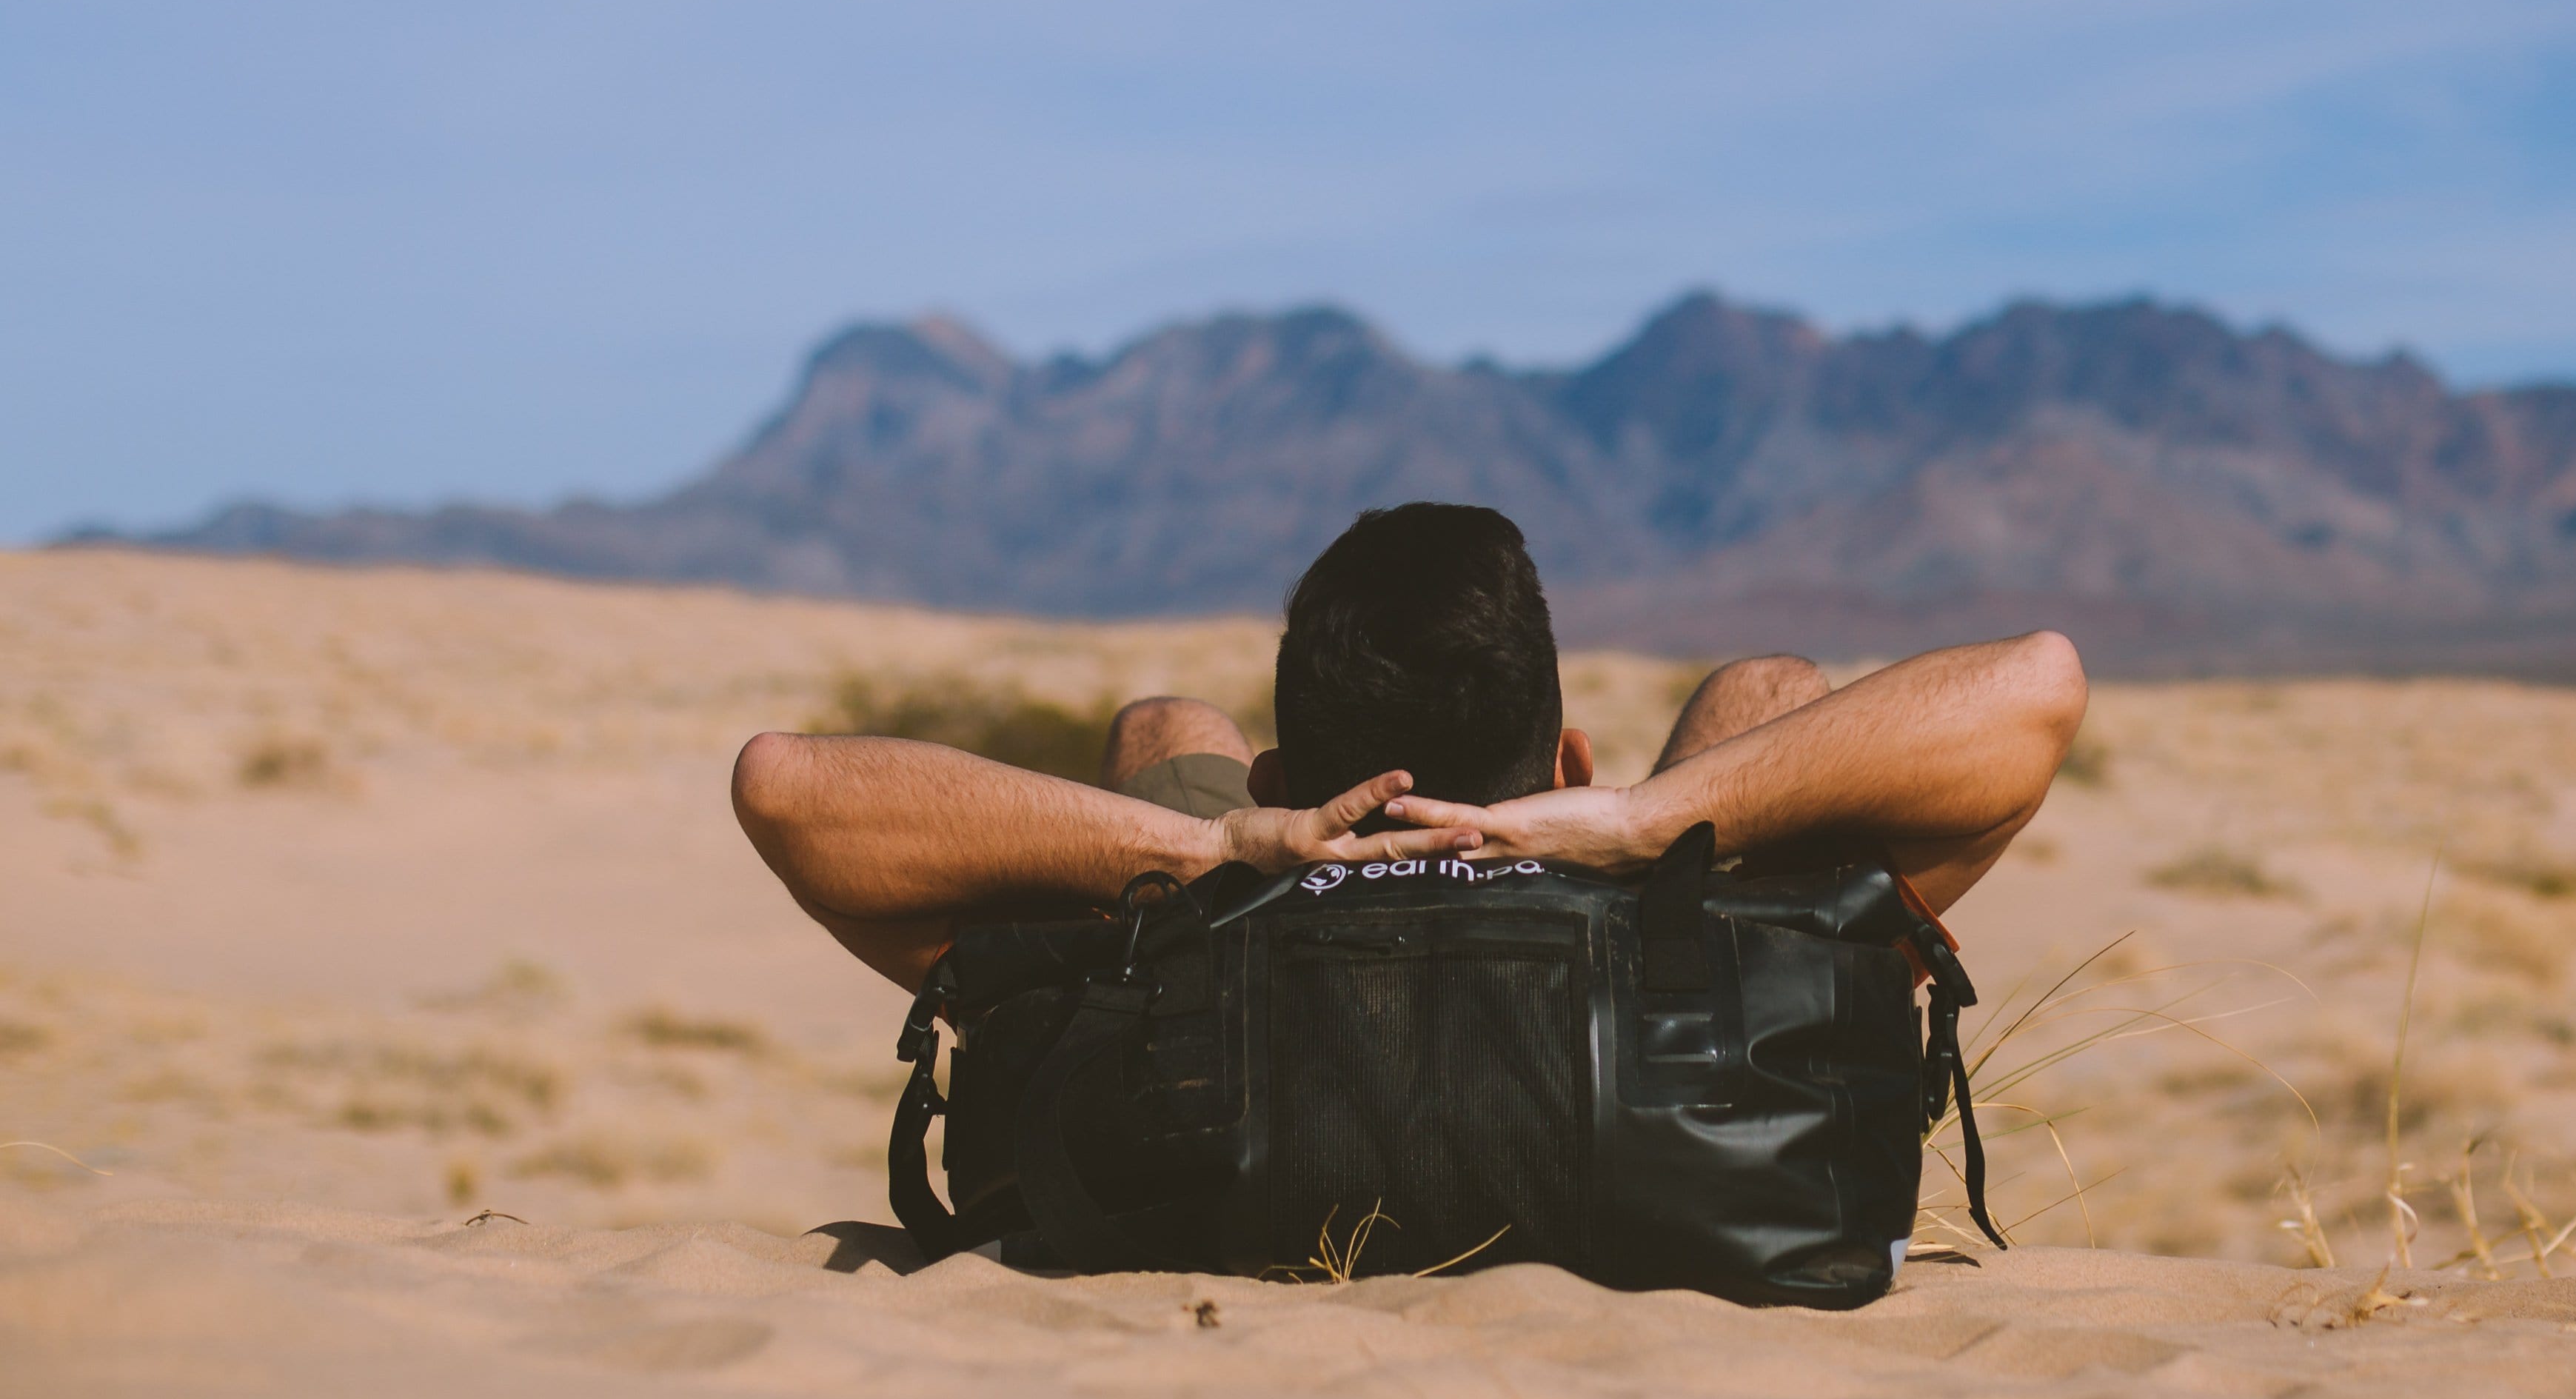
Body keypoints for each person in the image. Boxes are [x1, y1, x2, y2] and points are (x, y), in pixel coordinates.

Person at [732, 501, 2087, 991]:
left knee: (1165, 731)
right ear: (1564, 766)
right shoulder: (1694, 934)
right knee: (1768, 689)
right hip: (1645, 1015)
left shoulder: (1203, 898)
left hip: (1250, 962)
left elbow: (783, 788)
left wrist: (1204, 848)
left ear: (1280, 789)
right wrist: (1632, 824)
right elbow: (2038, 684)